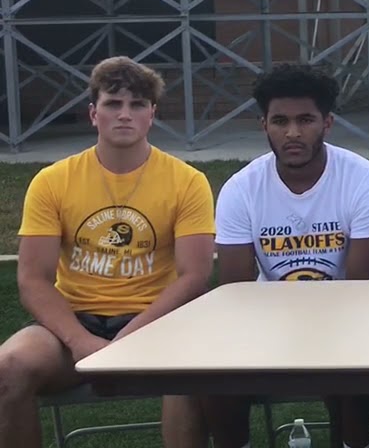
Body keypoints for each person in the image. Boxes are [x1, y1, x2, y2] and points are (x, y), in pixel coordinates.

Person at [0, 57, 214, 447]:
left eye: (137, 104)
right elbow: (32, 279)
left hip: (157, 323)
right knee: (8, 368)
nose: (125, 114)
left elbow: (194, 276)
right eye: (113, 104)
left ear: (152, 114)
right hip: (72, 325)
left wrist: (126, 341)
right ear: (93, 114)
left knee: (189, 371)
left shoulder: (187, 181)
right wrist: (81, 342)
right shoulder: (52, 181)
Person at [206, 64, 369, 448]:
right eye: (280, 121)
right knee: (215, 375)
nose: (292, 133)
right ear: (264, 125)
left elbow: (359, 290)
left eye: (305, 120)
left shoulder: (365, 180)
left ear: (327, 123)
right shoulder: (240, 189)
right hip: (269, 321)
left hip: (353, 320)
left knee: (348, 369)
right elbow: (236, 293)